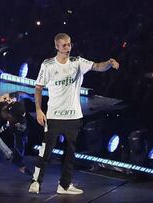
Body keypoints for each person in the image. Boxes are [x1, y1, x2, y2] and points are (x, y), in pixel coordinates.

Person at [29, 33, 119, 194]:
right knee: (46, 151)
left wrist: (109, 63)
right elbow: (38, 88)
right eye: (64, 45)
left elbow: (98, 66)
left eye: (69, 44)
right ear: (56, 46)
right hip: (54, 116)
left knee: (70, 154)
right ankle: (36, 181)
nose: (68, 48)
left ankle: (64, 185)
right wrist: (38, 110)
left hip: (73, 117)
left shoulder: (77, 62)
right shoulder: (48, 65)